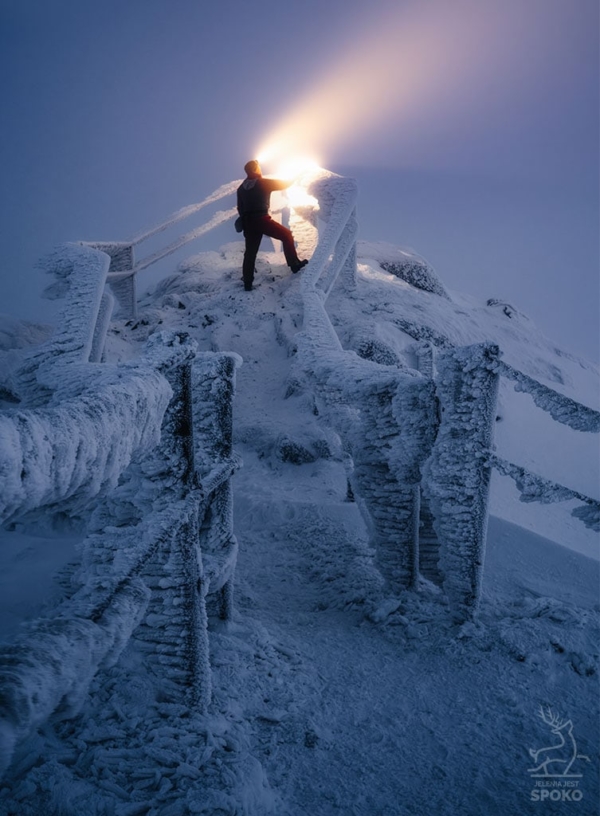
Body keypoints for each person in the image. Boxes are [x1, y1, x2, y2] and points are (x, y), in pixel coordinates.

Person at [237, 160, 308, 291]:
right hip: (262, 219)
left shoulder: (241, 188)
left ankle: (247, 282)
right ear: (254, 170)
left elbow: (240, 209)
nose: (260, 169)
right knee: (286, 235)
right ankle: (294, 265)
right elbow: (284, 184)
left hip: (248, 223)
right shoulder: (263, 183)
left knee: (250, 254)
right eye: (258, 167)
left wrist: (247, 223)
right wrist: (298, 174)